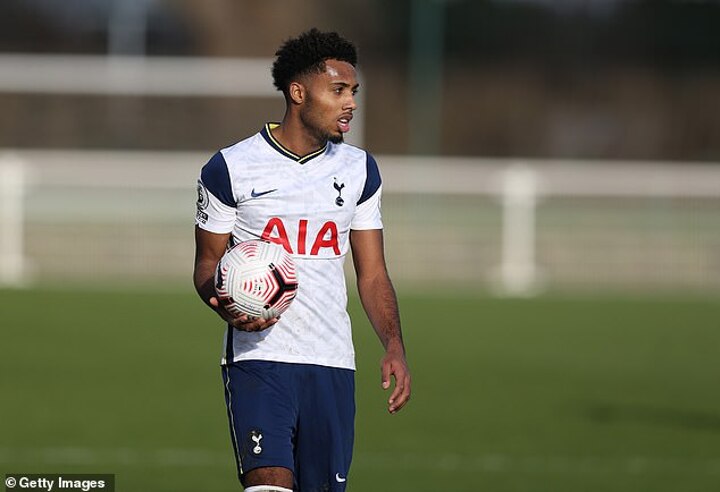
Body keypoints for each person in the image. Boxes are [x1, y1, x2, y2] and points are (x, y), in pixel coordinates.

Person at [193, 28, 411, 492]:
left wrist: (394, 345)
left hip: (332, 362)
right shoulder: (230, 167)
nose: (350, 103)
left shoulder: (360, 170)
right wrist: (226, 303)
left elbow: (372, 274)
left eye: (353, 91)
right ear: (297, 92)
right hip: (258, 359)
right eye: (338, 90)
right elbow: (207, 265)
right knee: (268, 484)